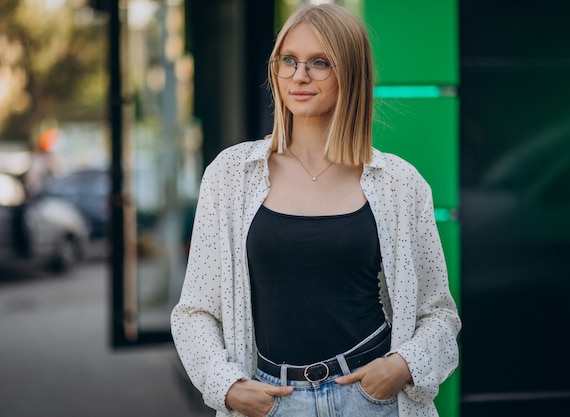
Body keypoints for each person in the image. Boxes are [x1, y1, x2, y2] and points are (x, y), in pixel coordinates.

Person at [171, 4, 461, 417]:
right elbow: (195, 312)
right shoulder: (232, 175)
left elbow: (440, 317)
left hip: (371, 398)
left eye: (319, 62)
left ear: (350, 73)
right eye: (288, 60)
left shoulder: (398, 182)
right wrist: (229, 388)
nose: (299, 75)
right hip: (272, 402)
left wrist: (401, 367)